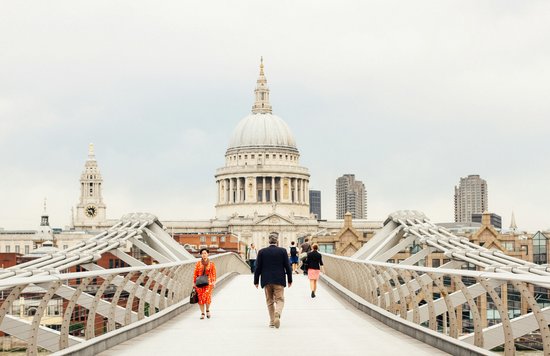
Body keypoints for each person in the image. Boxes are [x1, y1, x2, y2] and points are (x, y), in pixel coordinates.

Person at [254, 232, 292, 329]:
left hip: (266, 280)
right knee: (280, 300)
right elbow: (288, 266)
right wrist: (290, 279)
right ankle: (277, 313)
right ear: (277, 241)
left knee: (269, 301)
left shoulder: (262, 252)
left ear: (268, 241)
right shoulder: (283, 251)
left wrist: (256, 281)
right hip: (279, 280)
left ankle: (271, 321)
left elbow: (257, 267)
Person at [193, 248, 217, 319]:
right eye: (202, 253)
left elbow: (214, 274)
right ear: (201, 255)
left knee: (207, 297)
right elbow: (195, 274)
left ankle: (207, 310)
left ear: (208, 254)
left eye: (205, 253)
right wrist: (194, 283)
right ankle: (202, 313)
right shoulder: (198, 264)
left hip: (208, 283)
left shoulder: (211, 264)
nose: (204, 255)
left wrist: (213, 282)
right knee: (200, 298)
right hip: (199, 283)